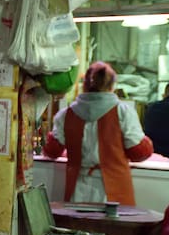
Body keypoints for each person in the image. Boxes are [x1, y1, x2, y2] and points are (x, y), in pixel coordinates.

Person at [42, 61, 153, 205]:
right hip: (114, 188)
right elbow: (139, 152)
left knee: (79, 225)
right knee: (113, 227)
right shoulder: (124, 112)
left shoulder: (66, 114)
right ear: (112, 85)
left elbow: (52, 151)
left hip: (78, 187)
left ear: (85, 85)